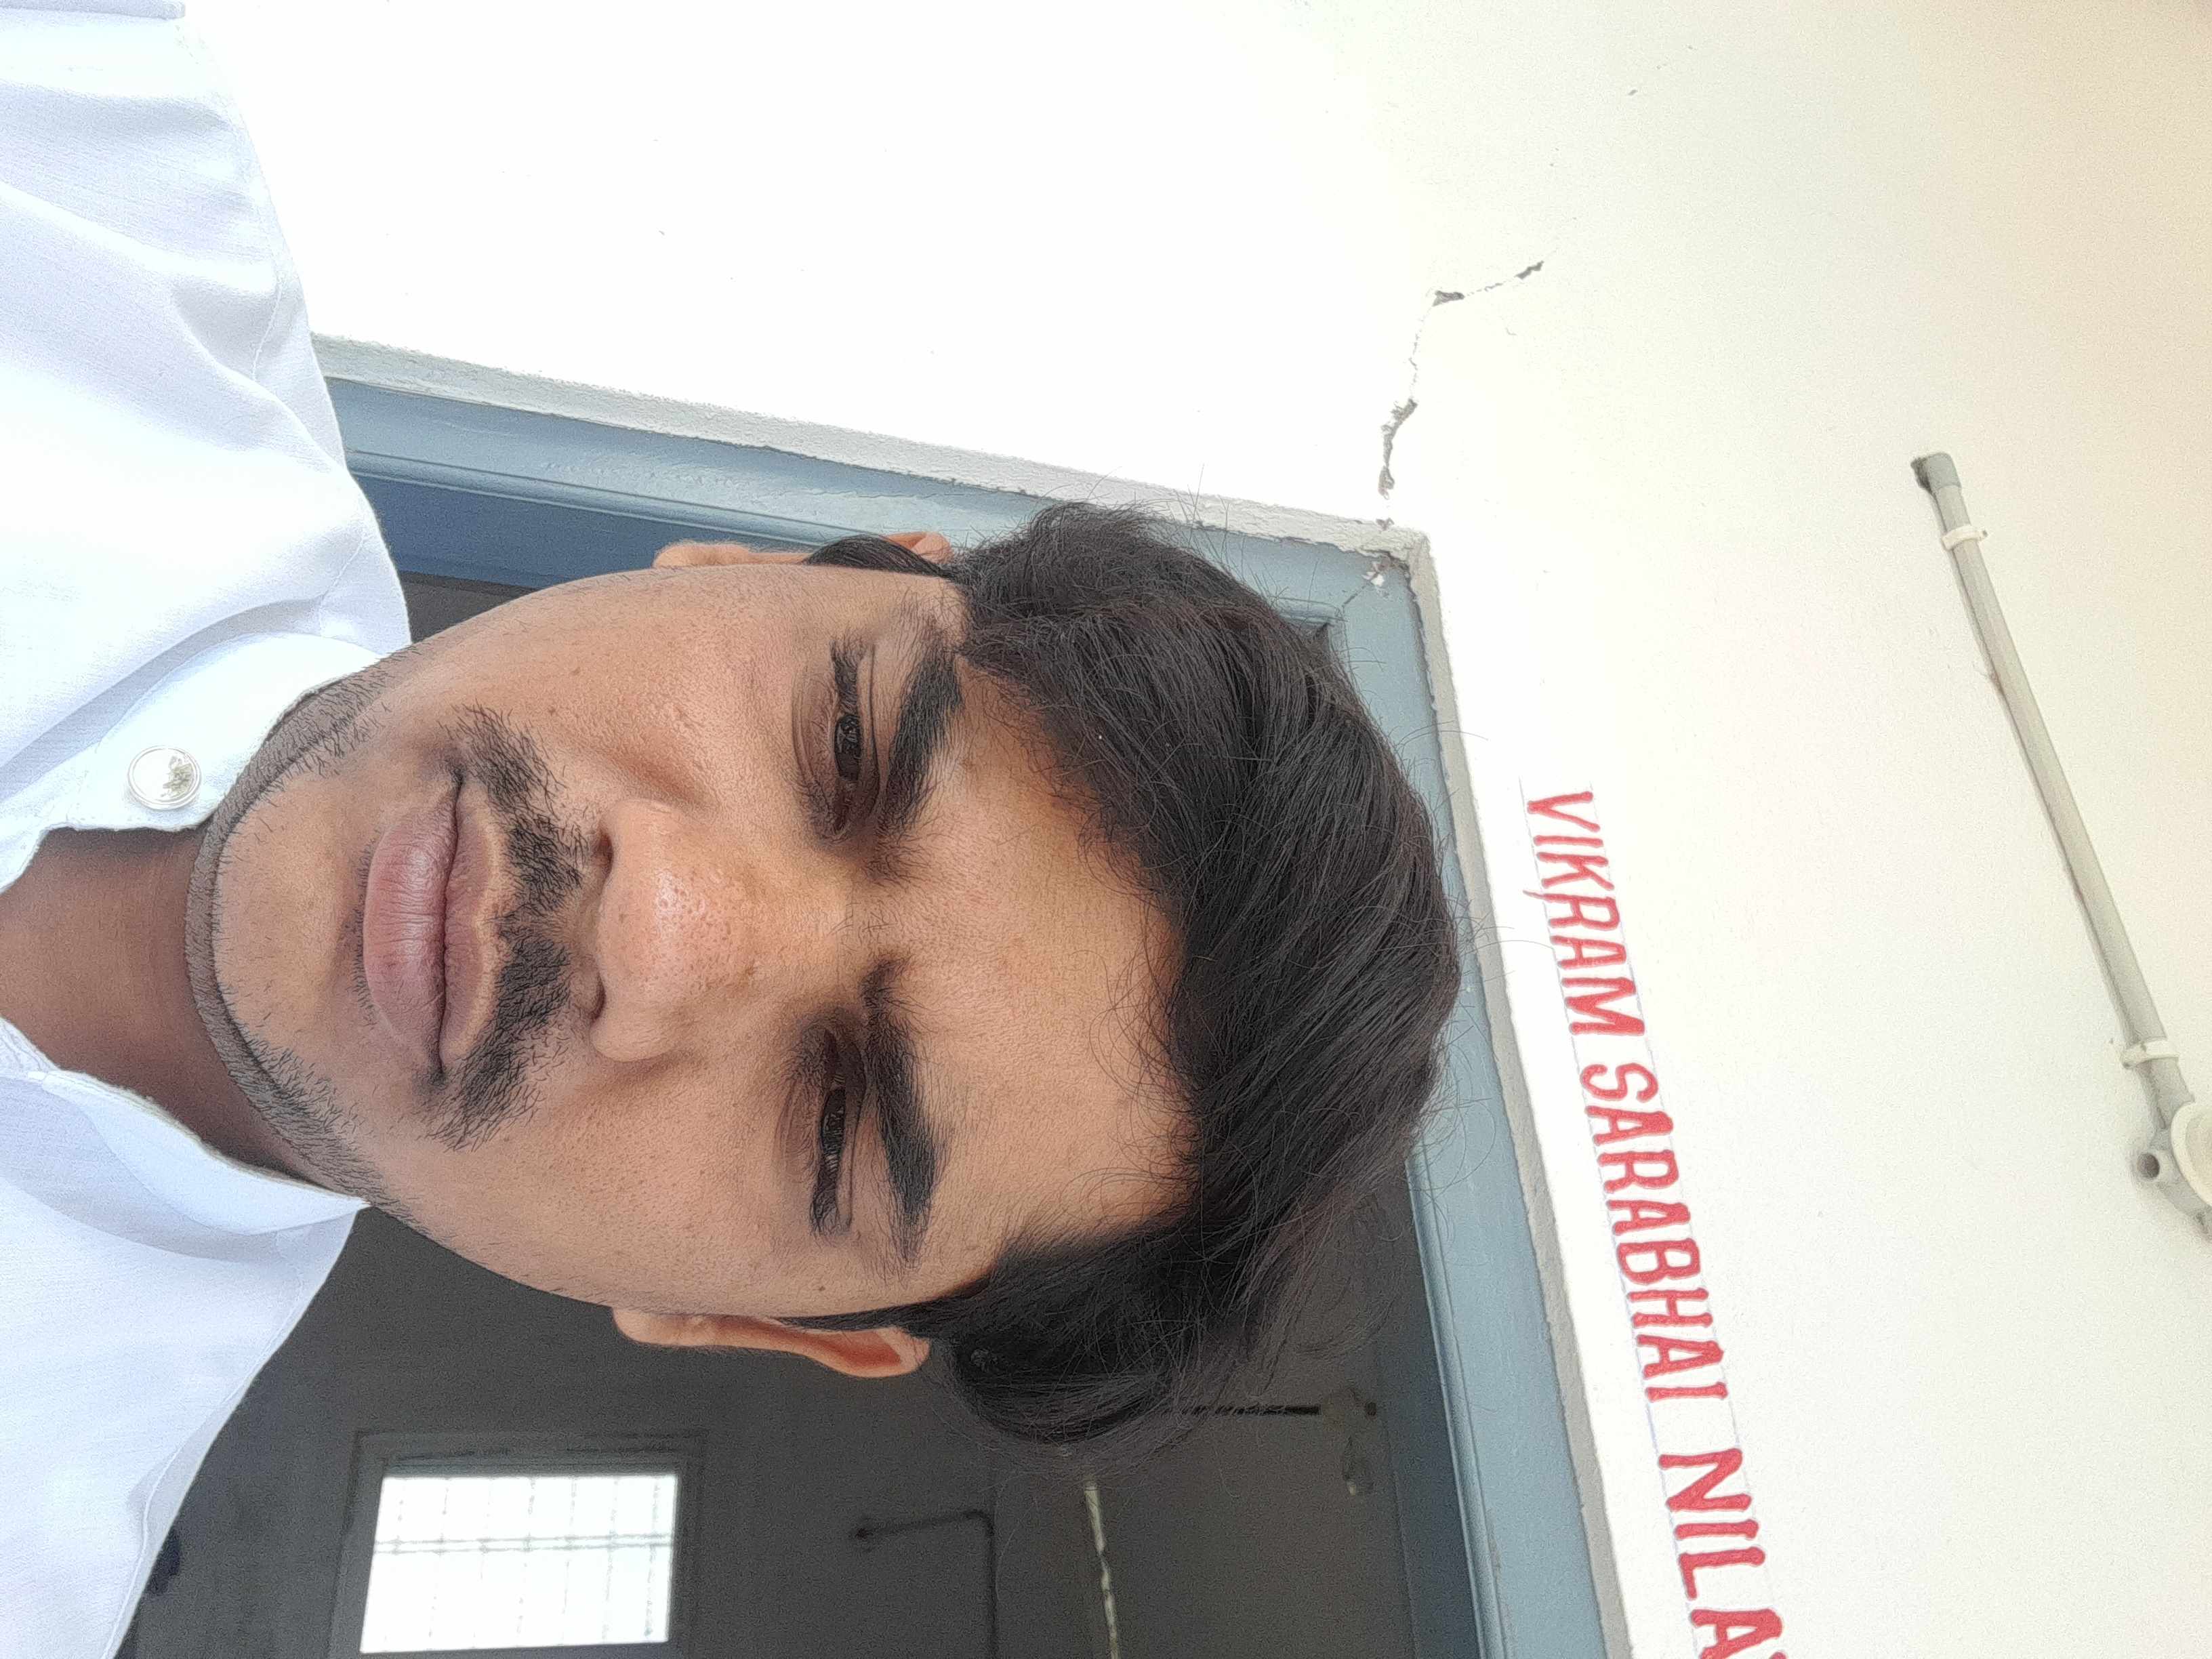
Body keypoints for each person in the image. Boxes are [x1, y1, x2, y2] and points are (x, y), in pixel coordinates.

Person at [0, 3, 1458, 1654]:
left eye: (834, 1119)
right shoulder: (71, 152)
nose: (658, 925)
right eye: (841, 747)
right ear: (744, 568)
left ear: (750, 1322)